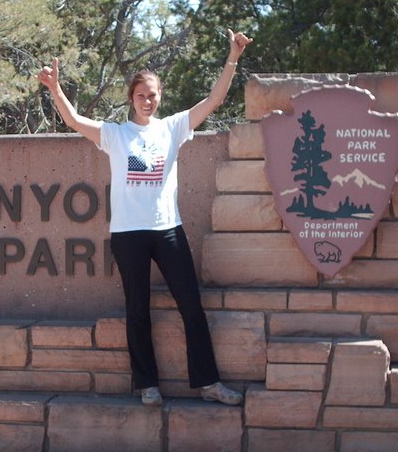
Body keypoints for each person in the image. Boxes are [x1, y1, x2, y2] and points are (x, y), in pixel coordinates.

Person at [36, 29, 253, 406]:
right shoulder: (116, 135)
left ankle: (207, 383)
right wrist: (55, 88)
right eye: (141, 96)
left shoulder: (173, 128)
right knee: (137, 310)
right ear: (131, 99)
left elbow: (215, 99)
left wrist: (233, 55)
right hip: (128, 233)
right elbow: (73, 120)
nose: (147, 101)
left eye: (152, 95)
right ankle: (147, 385)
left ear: (160, 96)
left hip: (167, 229)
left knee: (191, 306)